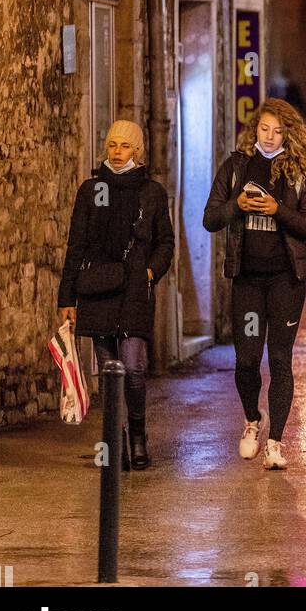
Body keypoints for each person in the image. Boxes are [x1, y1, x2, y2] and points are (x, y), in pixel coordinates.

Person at [204, 99, 306, 469]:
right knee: (247, 360)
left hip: (286, 281)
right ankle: (252, 421)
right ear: (254, 129)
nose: (269, 138)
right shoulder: (237, 166)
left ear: (289, 134)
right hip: (248, 280)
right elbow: (211, 218)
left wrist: (277, 211)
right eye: (264, 129)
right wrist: (238, 204)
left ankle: (275, 442)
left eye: (277, 131)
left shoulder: (298, 173)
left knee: (280, 360)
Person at [57, 121, 174, 471]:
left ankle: (137, 437)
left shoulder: (152, 192)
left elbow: (165, 241)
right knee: (110, 372)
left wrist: (151, 271)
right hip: (98, 290)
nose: (117, 151)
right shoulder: (91, 190)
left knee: (134, 367)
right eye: (112, 145)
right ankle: (113, 441)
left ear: (136, 151)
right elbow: (76, 246)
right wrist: (67, 299)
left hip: (135, 290)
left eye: (125, 146)